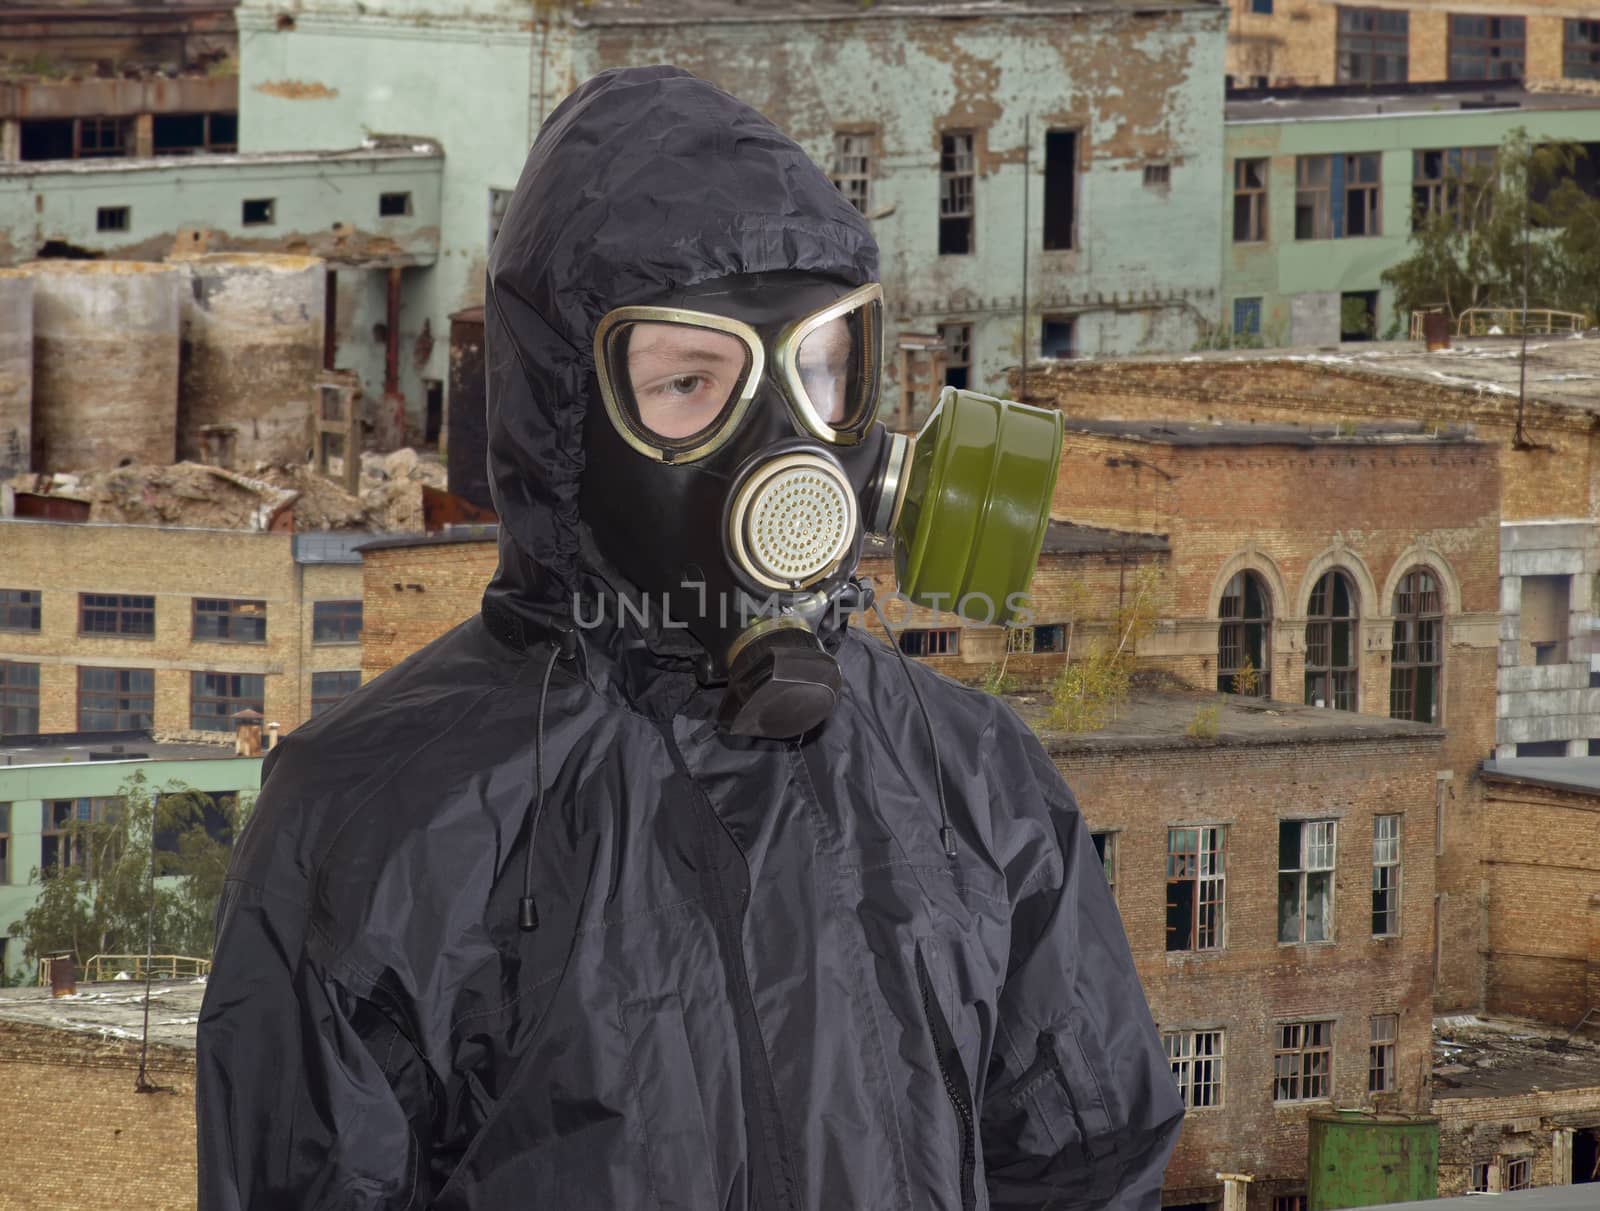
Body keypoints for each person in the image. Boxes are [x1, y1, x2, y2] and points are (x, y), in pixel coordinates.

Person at [196, 65, 1183, 1211]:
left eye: (820, 369)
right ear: (561, 418)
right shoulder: (377, 817)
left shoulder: (973, 774)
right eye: (688, 382)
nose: (785, 440)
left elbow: (1088, 1167)